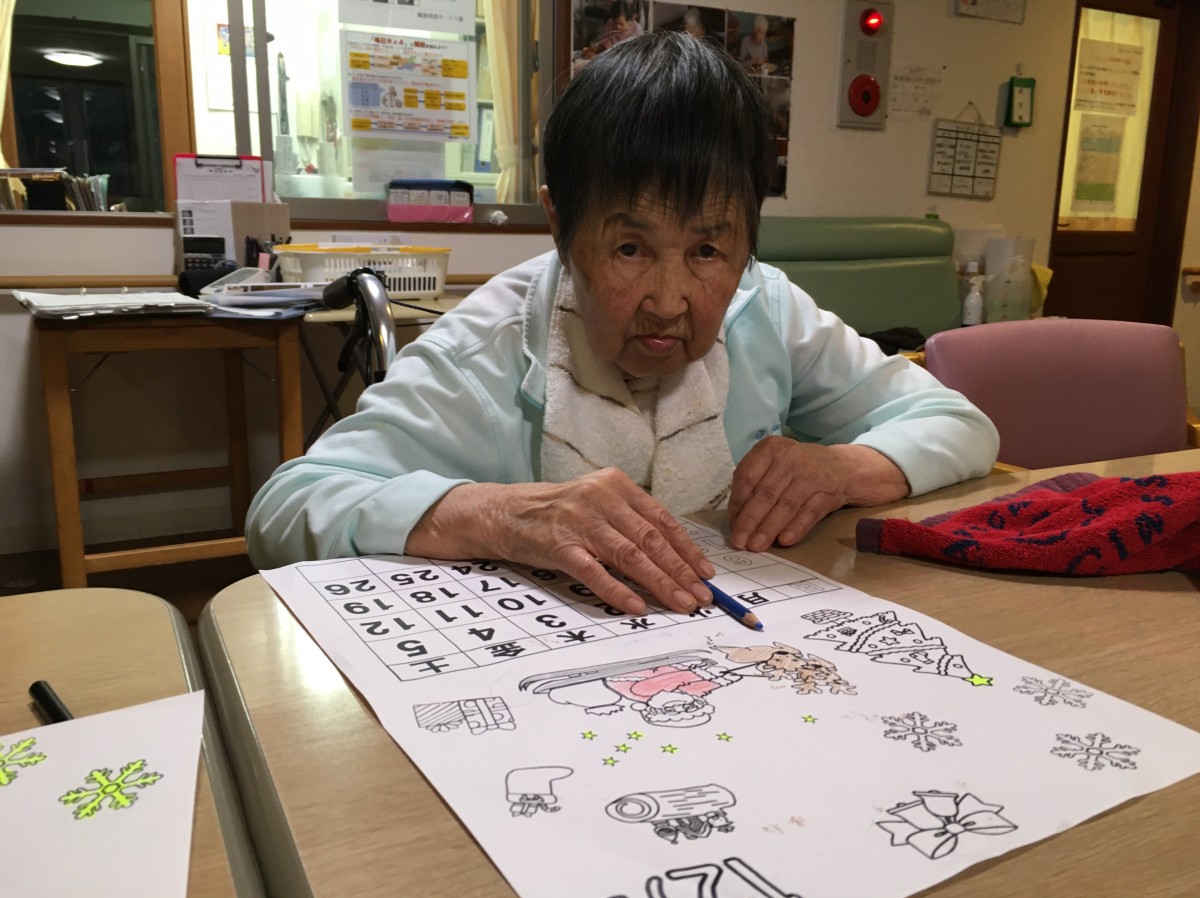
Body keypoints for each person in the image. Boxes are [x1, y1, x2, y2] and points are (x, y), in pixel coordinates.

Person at [246, 32, 998, 621]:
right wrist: (502, 512)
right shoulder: (487, 346)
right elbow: (286, 508)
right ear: (560, 223)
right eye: (630, 249)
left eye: (708, 250)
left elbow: (959, 423)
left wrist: (842, 467)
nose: (669, 302)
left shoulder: (765, 309)